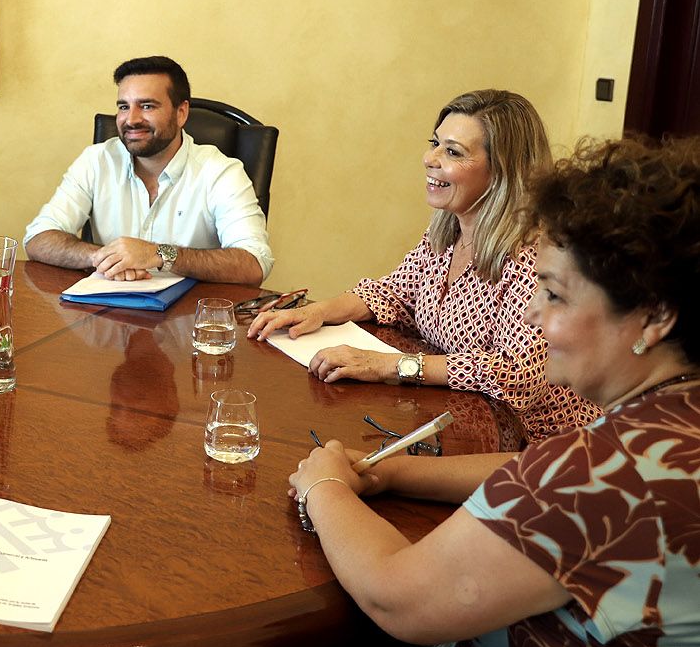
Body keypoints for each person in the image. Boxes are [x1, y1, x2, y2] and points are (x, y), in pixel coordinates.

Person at [245, 137, 700, 647]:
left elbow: (397, 597)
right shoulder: (671, 421)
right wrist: (395, 473)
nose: (534, 315)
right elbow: (529, 469)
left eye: (557, 295)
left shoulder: (604, 470)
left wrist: (325, 486)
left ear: (655, 316)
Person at [250, 89, 597, 442]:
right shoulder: (448, 228)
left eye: (452, 152)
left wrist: (389, 365)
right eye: (435, 143)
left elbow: (517, 374)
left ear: (502, 172)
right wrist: (320, 311)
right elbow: (395, 292)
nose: (430, 158)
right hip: (456, 415)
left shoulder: (534, 255)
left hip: (536, 447)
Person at [23, 55, 272, 284]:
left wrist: (159, 255)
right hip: (108, 315)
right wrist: (107, 257)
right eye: (123, 106)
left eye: (147, 106)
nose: (131, 119)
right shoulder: (96, 160)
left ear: (181, 112)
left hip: (190, 319)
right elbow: (38, 238)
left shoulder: (220, 172)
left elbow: (254, 264)